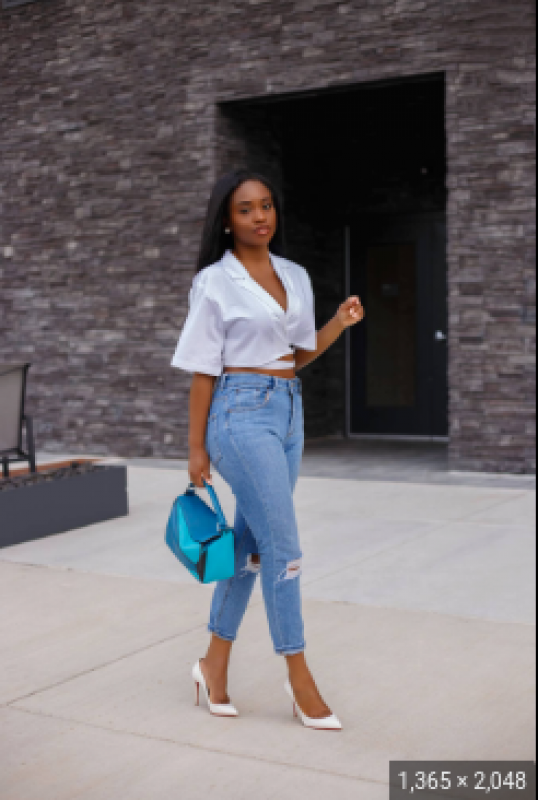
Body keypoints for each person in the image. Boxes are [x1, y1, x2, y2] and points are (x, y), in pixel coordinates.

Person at [171, 168, 365, 729]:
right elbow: (204, 372)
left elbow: (294, 356)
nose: (260, 217)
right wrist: (195, 450)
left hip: (288, 412)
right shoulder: (215, 281)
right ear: (226, 222)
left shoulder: (295, 275)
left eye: (267, 206)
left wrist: (336, 324)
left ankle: (213, 664)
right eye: (246, 209)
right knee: (285, 548)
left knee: (252, 549)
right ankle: (299, 674)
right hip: (238, 414)